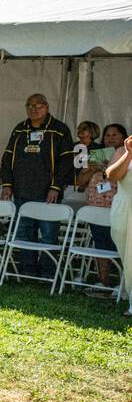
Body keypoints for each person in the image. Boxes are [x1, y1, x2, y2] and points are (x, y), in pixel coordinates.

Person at [0, 94, 74, 276]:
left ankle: (48, 272)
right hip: (21, 190)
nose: (34, 109)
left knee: (48, 234)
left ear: (47, 107)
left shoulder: (59, 129)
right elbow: (7, 158)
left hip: (48, 192)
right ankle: (27, 270)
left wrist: (56, 186)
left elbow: (66, 162)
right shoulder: (19, 129)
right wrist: (7, 184)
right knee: (24, 232)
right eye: (30, 105)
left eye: (38, 105)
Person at [78, 124, 129, 293]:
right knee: (101, 242)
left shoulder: (126, 155)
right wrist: (92, 169)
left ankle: (124, 283)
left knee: (121, 245)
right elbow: (80, 182)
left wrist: (111, 168)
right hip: (96, 207)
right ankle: (103, 280)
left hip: (118, 207)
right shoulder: (95, 155)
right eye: (107, 135)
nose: (110, 138)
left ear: (123, 137)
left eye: (115, 134)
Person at [100, 132, 132, 316]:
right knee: (128, 255)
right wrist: (129, 153)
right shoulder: (123, 150)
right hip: (125, 206)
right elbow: (112, 176)